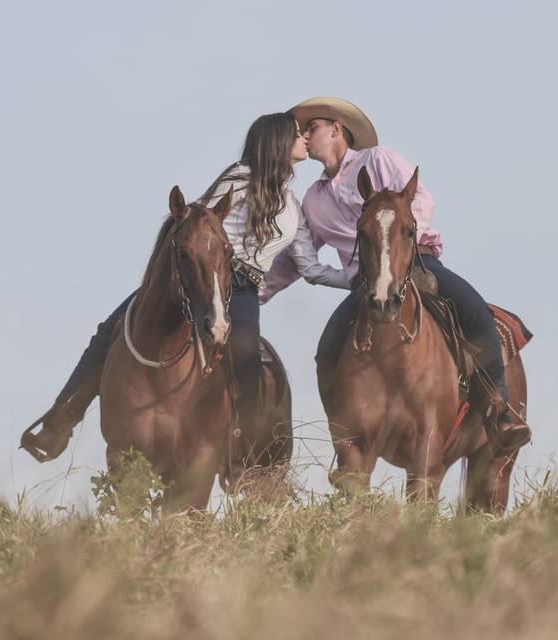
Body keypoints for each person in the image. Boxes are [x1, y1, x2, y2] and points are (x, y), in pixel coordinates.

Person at [22, 112, 349, 460]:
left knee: (248, 359)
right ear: (276, 141)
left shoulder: (293, 208)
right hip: (203, 277)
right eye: (295, 133)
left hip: (243, 290)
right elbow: (198, 223)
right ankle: (60, 421)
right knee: (110, 331)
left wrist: (356, 281)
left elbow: (311, 268)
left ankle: (247, 453)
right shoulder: (239, 178)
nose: (303, 138)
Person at [261, 97, 531, 455]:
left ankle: (499, 411)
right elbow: (296, 260)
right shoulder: (313, 199)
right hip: (365, 283)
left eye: (312, 127)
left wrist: (396, 248)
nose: (306, 137)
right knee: (327, 350)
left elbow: (422, 201)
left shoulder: (378, 159)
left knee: (474, 310)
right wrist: (254, 291)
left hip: (416, 259)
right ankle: (346, 440)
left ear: (337, 128)